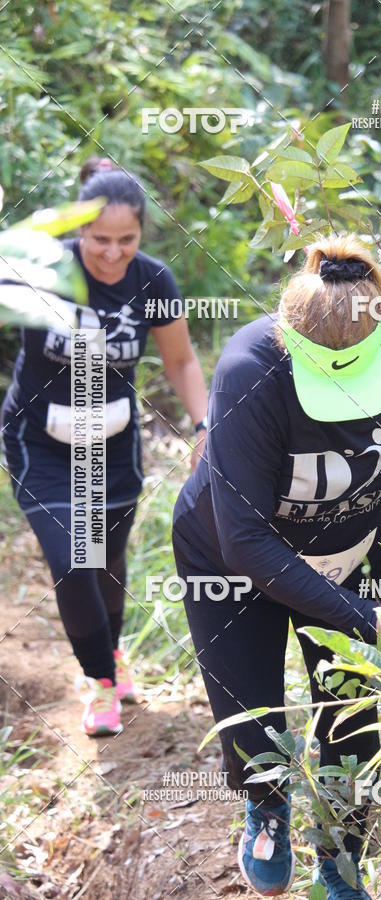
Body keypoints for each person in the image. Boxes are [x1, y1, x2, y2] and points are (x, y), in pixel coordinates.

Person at [171, 235, 381, 898]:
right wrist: (373, 620)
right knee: (249, 709)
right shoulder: (248, 368)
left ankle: (341, 857)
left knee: (353, 717)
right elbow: (246, 544)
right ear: (289, 340)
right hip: (233, 558)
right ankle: (267, 810)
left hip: (350, 547)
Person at [1, 157, 209, 737]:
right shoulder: (41, 271)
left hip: (111, 443)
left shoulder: (153, 280)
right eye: (99, 240)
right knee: (73, 562)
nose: (113, 253)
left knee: (106, 563)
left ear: (141, 233)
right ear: (78, 231)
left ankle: (112, 656)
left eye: (126, 240)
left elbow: (181, 360)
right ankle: (100, 682)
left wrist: (205, 426)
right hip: (39, 441)